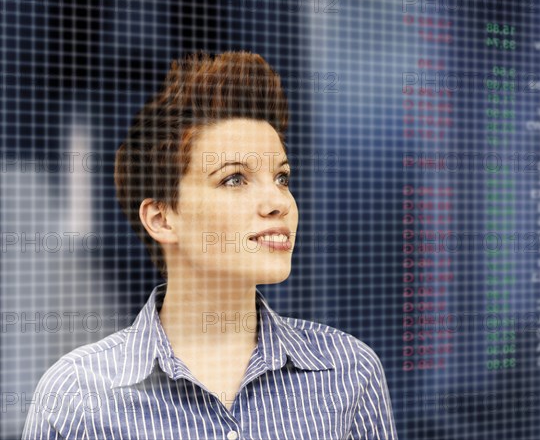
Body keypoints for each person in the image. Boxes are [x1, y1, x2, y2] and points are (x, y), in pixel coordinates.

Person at [22, 50, 398, 439]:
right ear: (161, 218)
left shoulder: (349, 371)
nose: (279, 203)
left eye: (282, 178)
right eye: (234, 179)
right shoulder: (76, 397)